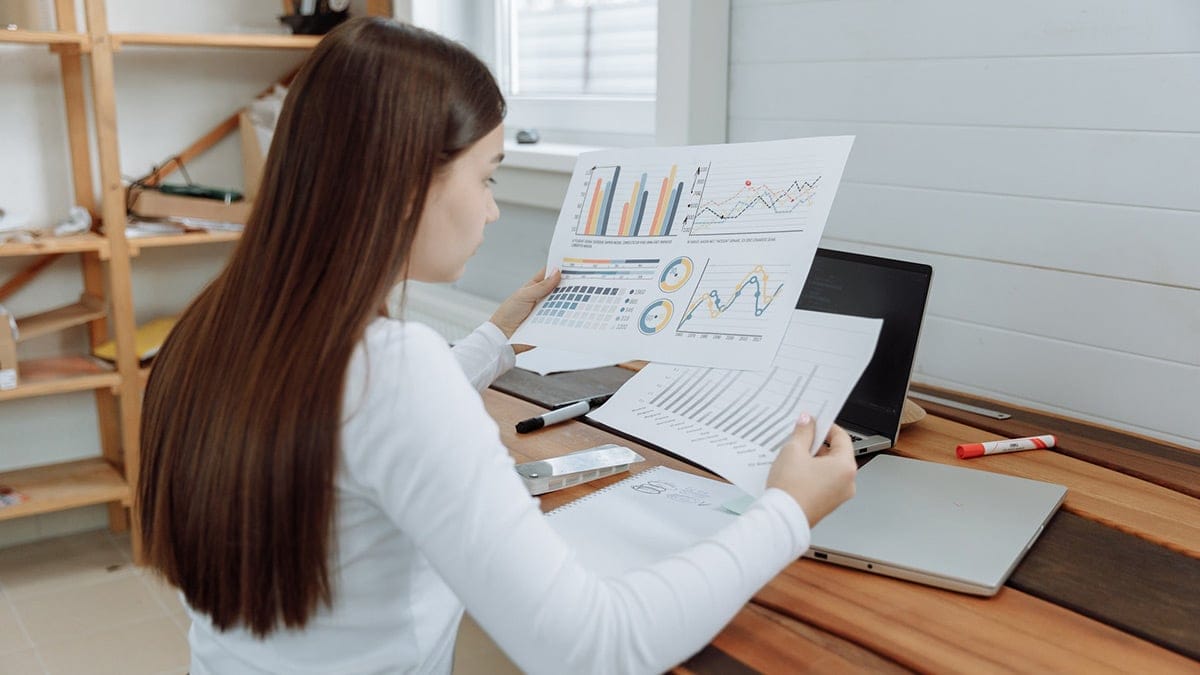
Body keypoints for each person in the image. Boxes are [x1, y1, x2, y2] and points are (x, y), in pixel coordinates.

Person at [137, 17, 857, 675]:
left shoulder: (215, 325)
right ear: (407, 184)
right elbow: (595, 648)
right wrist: (788, 511)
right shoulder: (392, 369)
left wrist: (497, 337)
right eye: (486, 176)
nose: (492, 207)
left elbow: (352, 430)